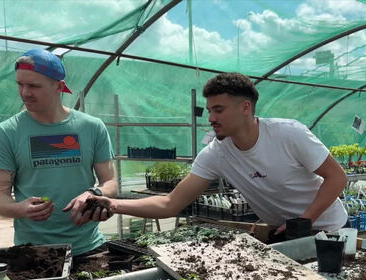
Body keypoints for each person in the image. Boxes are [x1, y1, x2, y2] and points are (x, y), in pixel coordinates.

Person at [81, 72, 348, 234]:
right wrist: (114, 205)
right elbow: (171, 203)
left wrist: (305, 219)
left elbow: (337, 178)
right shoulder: (216, 153)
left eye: (218, 110)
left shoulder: (289, 134)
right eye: (209, 110)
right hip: (284, 232)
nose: (210, 117)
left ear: (245, 107)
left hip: (329, 229)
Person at [0, 48, 117, 257]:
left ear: (59, 86)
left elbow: (110, 182)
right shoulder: (6, 133)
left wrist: (95, 194)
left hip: (89, 248)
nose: (25, 93)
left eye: (34, 86)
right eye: (20, 84)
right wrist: (20, 209)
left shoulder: (92, 127)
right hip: (33, 252)